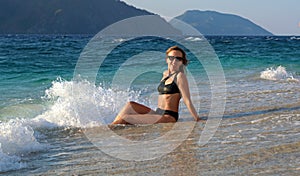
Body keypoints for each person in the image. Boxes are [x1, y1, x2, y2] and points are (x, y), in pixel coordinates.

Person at [111, 46, 201, 124]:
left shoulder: (180, 76)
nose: (174, 61)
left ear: (182, 62)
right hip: (158, 113)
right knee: (130, 105)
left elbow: (187, 100)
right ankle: (113, 127)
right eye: (171, 58)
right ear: (167, 59)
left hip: (168, 117)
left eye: (178, 59)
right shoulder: (165, 74)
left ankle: (109, 130)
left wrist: (197, 119)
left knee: (126, 118)